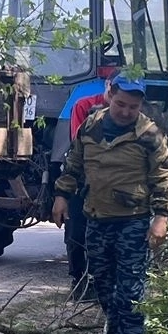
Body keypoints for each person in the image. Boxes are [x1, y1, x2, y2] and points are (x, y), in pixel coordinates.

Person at [50, 74, 168, 334]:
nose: (126, 111)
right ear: (110, 96)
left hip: (133, 220)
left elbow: (163, 179)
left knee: (129, 290)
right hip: (97, 217)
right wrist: (61, 196)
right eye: (120, 104)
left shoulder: (150, 136)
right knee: (104, 286)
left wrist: (161, 218)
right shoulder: (91, 126)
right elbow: (74, 164)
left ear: (140, 104)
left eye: (133, 106)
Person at [59, 64, 120, 299]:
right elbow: (79, 145)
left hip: (116, 181)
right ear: (108, 86)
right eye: (115, 91)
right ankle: (79, 280)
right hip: (83, 176)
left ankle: (104, 283)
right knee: (76, 231)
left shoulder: (136, 114)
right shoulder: (84, 106)